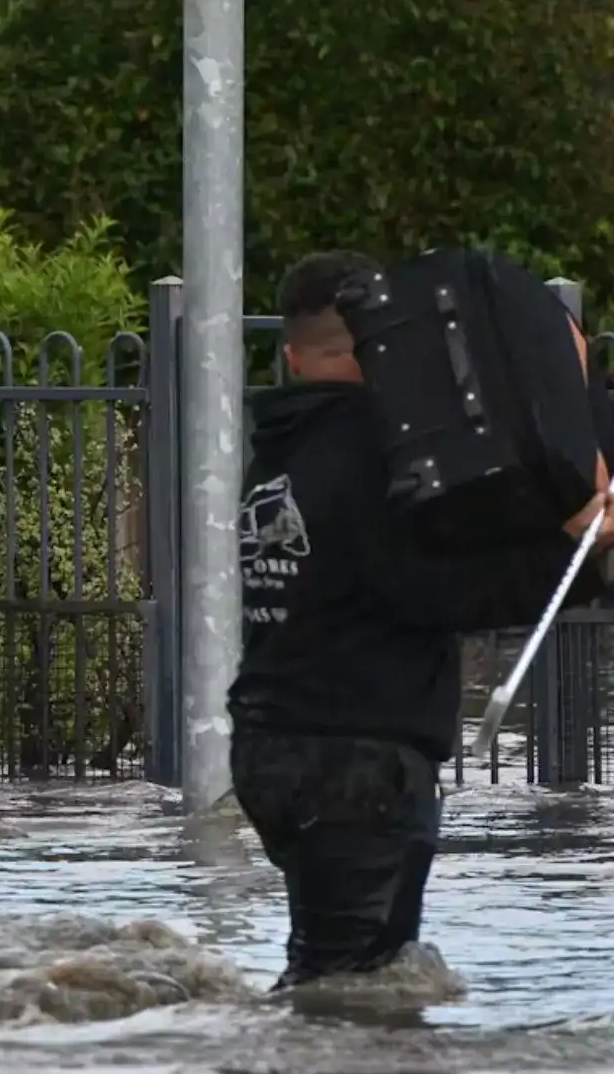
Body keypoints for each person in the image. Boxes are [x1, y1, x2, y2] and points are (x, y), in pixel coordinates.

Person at [227, 250, 614, 989]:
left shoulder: (279, 450)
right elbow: (436, 593)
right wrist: (573, 554)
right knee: (337, 995)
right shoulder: (371, 456)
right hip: (353, 765)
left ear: (292, 356)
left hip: (273, 749)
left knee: (362, 985)